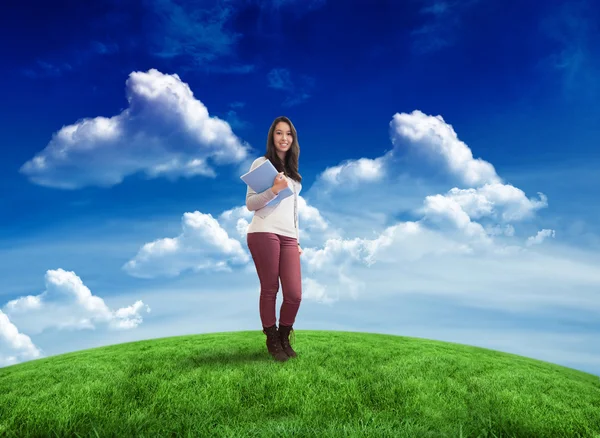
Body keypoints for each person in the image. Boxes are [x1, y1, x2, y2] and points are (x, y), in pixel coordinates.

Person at [245, 116, 303, 362]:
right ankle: (271, 338)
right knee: (270, 288)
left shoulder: (294, 175)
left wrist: (297, 240)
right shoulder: (262, 163)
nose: (284, 138)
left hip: (289, 236)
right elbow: (250, 204)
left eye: (288, 134)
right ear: (272, 137)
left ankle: (284, 334)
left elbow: (294, 212)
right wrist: (274, 190)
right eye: (279, 133)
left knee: (294, 294)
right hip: (264, 231)